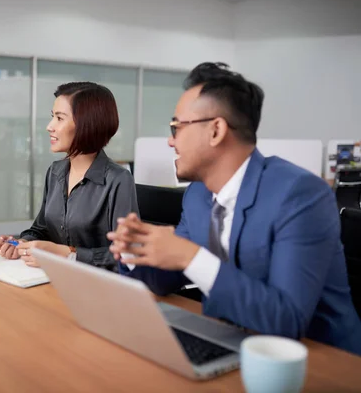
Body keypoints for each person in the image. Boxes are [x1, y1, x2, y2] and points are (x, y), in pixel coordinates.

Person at [108, 62, 361, 355]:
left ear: (216, 130)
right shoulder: (198, 195)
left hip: (322, 361)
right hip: (232, 340)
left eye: (176, 127)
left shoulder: (300, 195)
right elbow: (168, 278)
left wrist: (190, 256)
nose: (170, 140)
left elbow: (287, 320)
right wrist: (135, 253)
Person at [0, 82, 138, 271]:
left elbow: (126, 255)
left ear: (87, 124)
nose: (49, 127)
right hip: (52, 279)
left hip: (96, 287)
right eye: (52, 117)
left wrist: (68, 254)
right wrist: (22, 243)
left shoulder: (118, 180)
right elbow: (41, 229)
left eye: (60, 118)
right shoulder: (55, 172)